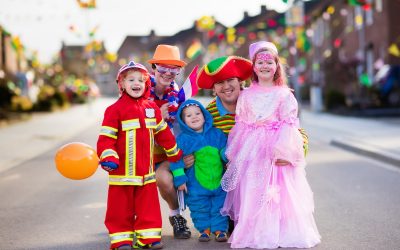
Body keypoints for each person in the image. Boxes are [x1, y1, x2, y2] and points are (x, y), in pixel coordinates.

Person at [220, 41, 321, 248]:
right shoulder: (246, 95)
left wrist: (285, 152)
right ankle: (257, 231)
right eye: (260, 62)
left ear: (276, 67)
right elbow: (241, 126)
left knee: (277, 192)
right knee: (254, 190)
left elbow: (289, 125)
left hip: (275, 151)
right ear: (254, 67)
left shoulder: (284, 94)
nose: (265, 66)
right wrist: (235, 156)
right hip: (252, 152)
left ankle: (281, 231)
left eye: (270, 62)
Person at [97, 61, 182, 250]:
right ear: (122, 84)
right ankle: (121, 240)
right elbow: (106, 138)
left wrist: (174, 152)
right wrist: (108, 156)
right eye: (131, 80)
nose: (136, 83)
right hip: (122, 174)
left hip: (146, 173)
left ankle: (148, 238)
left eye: (140, 80)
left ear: (146, 84)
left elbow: (163, 133)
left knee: (148, 208)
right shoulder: (114, 110)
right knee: (120, 209)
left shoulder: (151, 109)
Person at [147, 44, 192, 239]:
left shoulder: (178, 96)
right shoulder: (137, 90)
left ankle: (176, 216)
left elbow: (186, 125)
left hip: (168, 152)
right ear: (154, 68)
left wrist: (188, 152)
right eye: (163, 69)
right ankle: (135, 221)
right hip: (142, 152)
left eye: (174, 70)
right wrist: (157, 117)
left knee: (163, 179)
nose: (168, 74)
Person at [169, 99, 229, 242]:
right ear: (183, 121)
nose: (194, 117)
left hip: (218, 181)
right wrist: (180, 180)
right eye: (188, 116)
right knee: (199, 206)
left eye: (197, 113)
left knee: (220, 205)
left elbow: (225, 150)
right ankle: (204, 229)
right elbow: (175, 160)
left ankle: (220, 230)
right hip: (195, 184)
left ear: (204, 115)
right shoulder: (183, 139)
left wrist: (227, 156)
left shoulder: (217, 134)